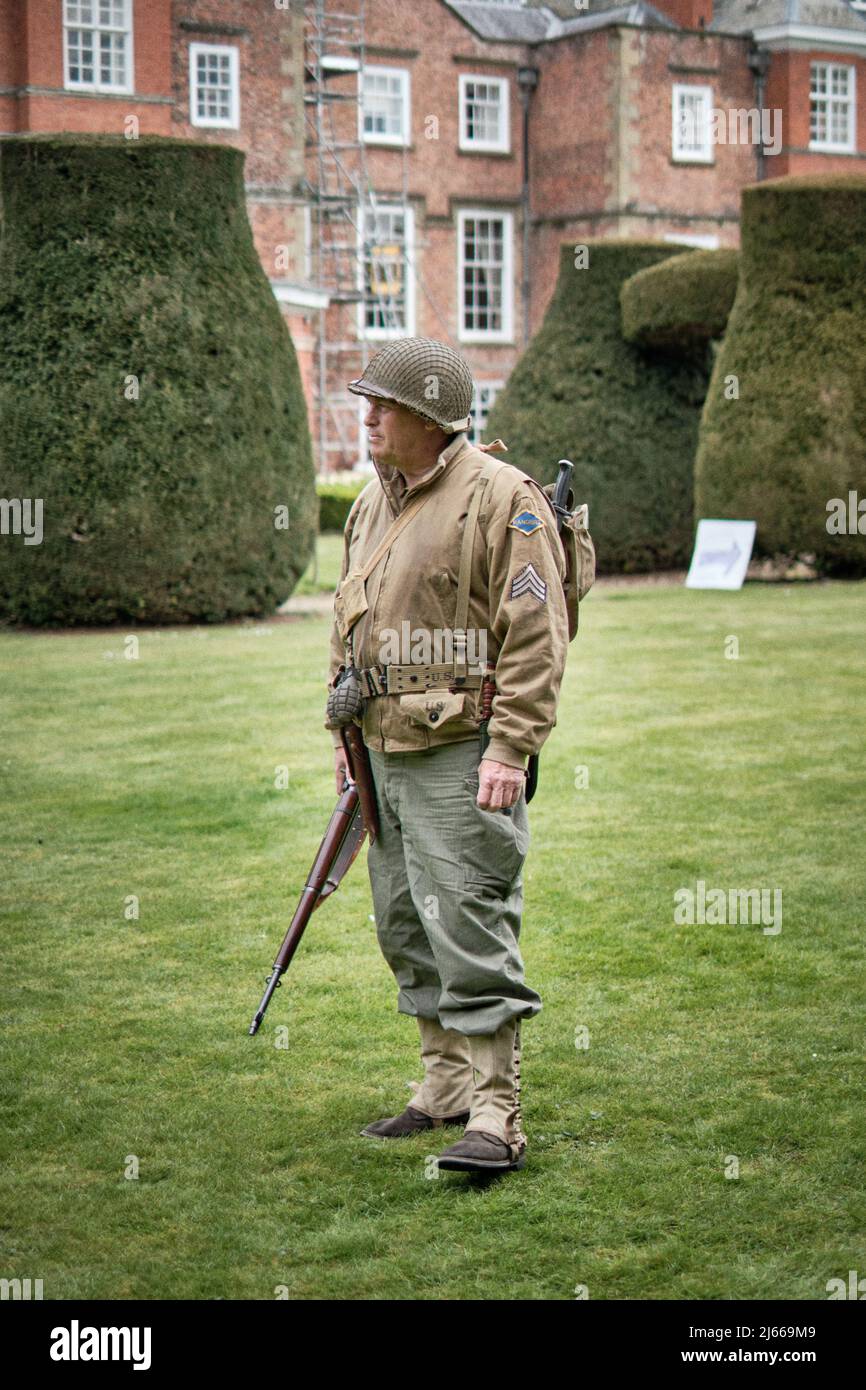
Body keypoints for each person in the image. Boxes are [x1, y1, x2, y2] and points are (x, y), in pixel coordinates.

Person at [325, 336, 569, 1173]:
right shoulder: (372, 502)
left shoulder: (506, 499)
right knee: (403, 921)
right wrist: (343, 735)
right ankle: (443, 1087)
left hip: (463, 752)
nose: (368, 417)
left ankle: (497, 1113)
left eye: (382, 405)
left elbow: (536, 636)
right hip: (381, 752)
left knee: (468, 917)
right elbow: (348, 620)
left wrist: (511, 747)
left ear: (429, 416)